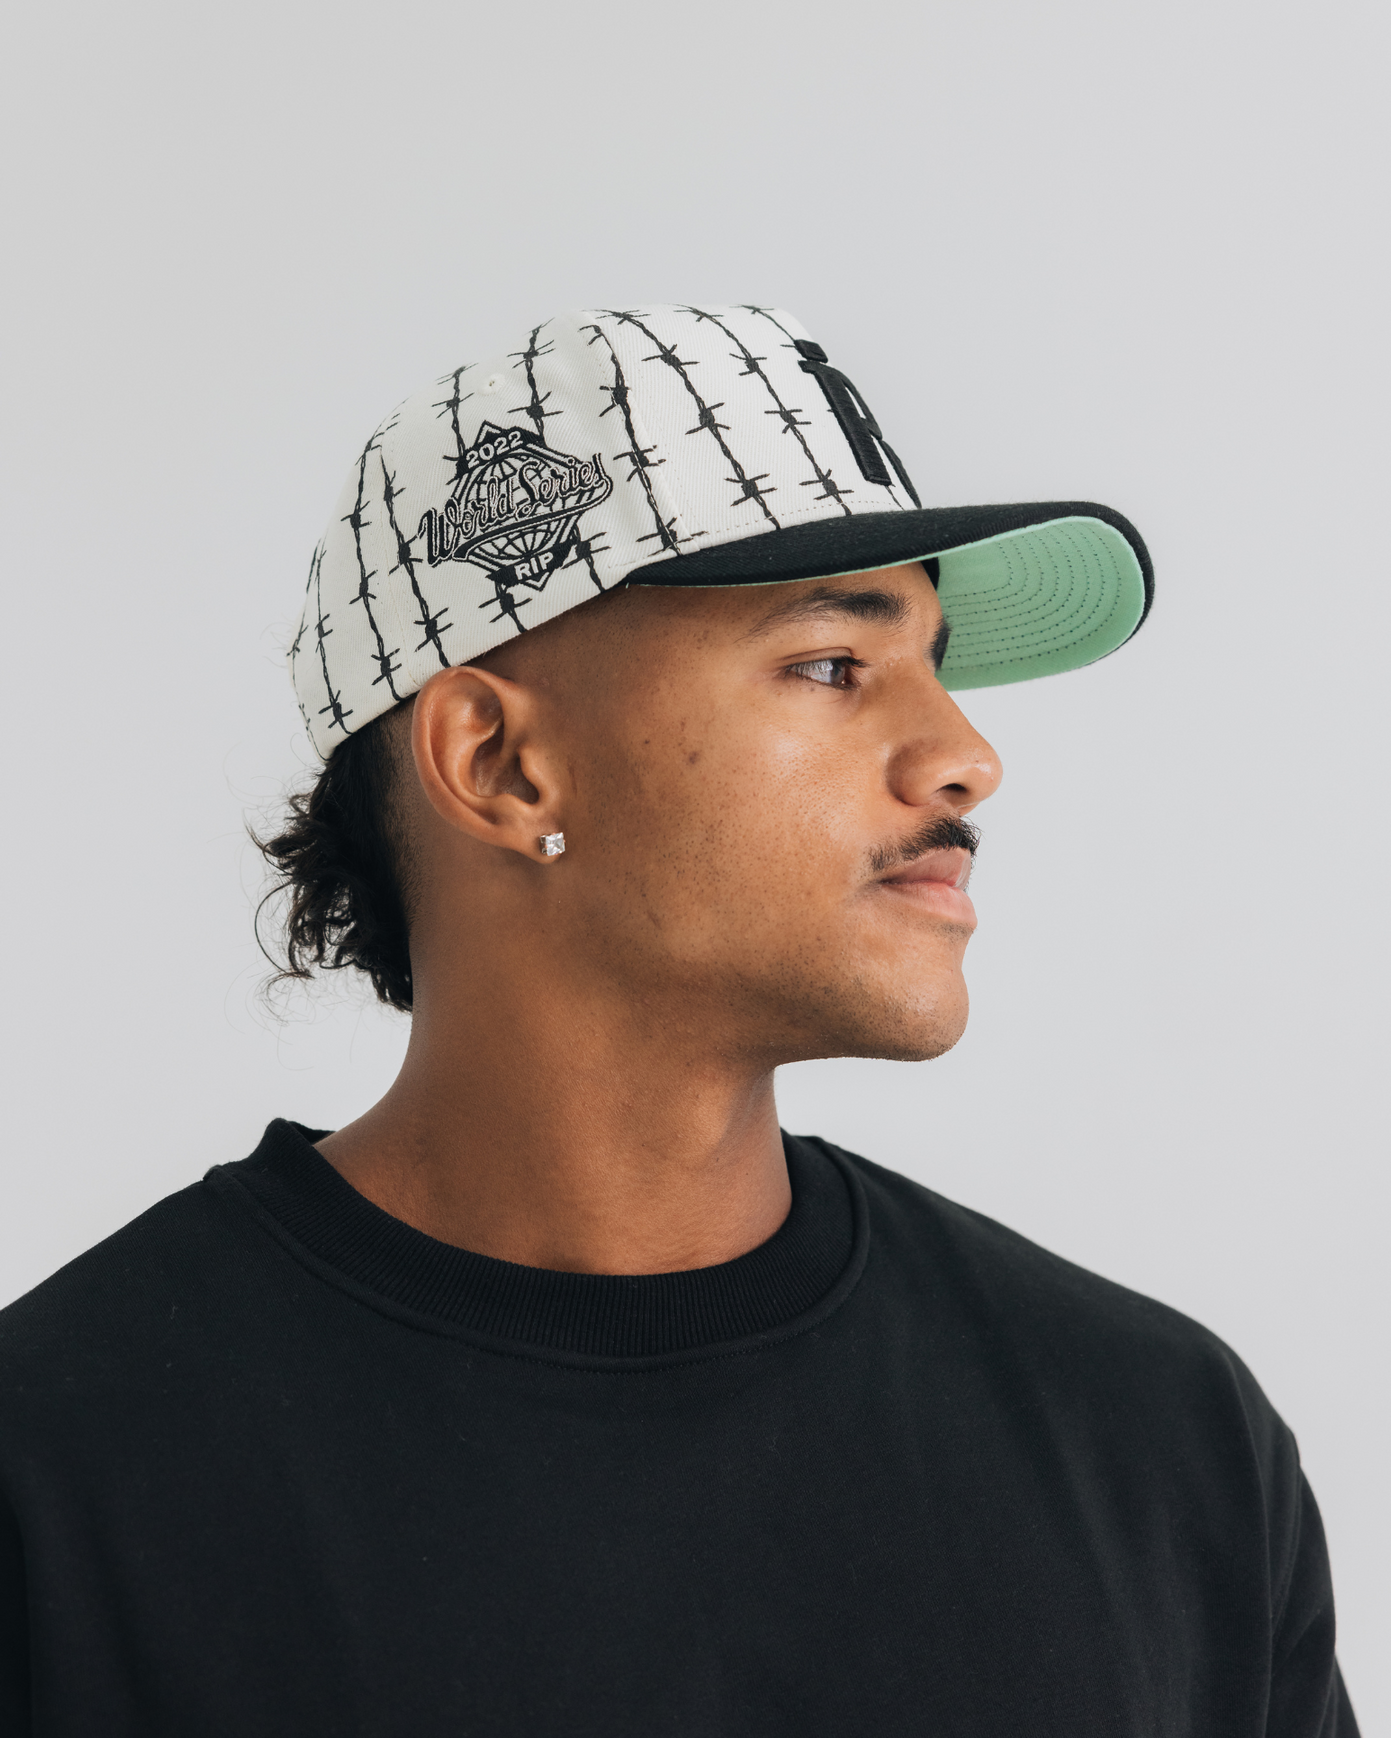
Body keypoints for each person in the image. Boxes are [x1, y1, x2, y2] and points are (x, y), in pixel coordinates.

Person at [0, 304, 1357, 1735]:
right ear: (500, 762)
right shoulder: (62, 1480)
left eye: (938, 666)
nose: (967, 757)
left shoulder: (1162, 1447)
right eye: (831, 665)